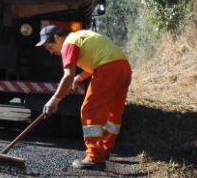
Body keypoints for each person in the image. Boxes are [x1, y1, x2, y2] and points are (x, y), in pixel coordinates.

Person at [36, 25, 132, 170]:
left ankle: (94, 158)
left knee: (90, 111)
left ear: (57, 37)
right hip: (124, 68)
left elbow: (67, 75)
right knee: (112, 113)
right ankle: (103, 150)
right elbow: (99, 60)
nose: (50, 52)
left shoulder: (68, 43)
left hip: (108, 69)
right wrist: (79, 78)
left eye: (49, 47)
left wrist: (53, 101)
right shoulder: (80, 36)